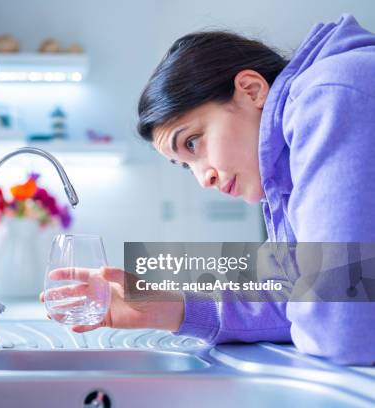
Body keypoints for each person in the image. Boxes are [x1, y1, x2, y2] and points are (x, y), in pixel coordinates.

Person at [40, 14, 375, 365]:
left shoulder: (331, 98)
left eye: (194, 142)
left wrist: (312, 310)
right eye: (186, 165)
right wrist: (167, 308)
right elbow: (288, 294)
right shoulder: (287, 161)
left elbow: (343, 325)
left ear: (251, 90)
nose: (203, 179)